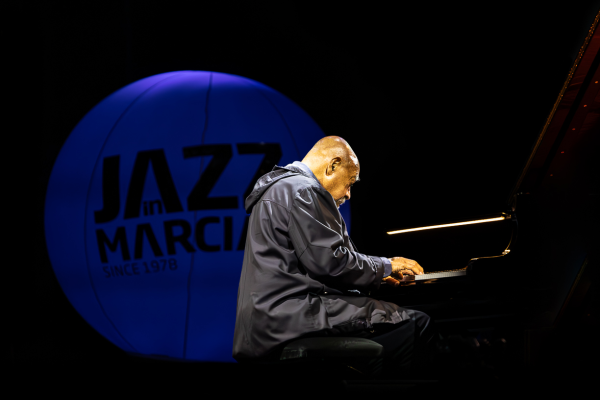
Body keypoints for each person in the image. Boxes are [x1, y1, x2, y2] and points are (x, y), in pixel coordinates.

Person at [233, 136, 432, 375]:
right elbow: (331, 263)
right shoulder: (303, 190)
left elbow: (318, 266)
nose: (349, 194)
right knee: (416, 324)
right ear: (333, 165)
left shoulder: (281, 189)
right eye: (349, 183)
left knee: (387, 324)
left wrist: (376, 279)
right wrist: (387, 266)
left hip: (270, 319)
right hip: (291, 316)